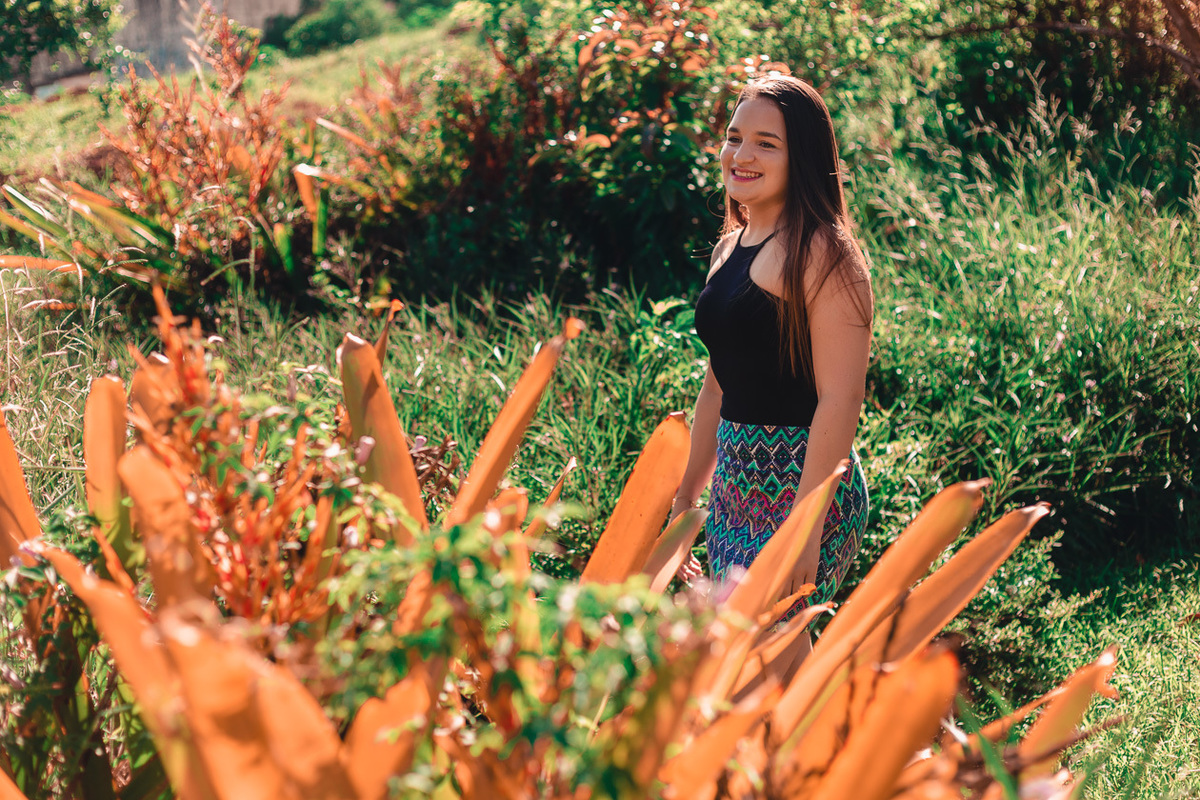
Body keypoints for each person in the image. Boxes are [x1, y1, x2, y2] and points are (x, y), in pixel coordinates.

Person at [670, 74, 873, 627]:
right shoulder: (728, 249)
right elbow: (718, 384)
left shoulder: (826, 253)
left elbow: (841, 398)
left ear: (800, 157)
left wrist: (805, 530)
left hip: (804, 488)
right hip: (734, 490)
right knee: (763, 677)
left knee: (748, 655)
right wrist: (688, 497)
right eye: (735, 137)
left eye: (767, 143)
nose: (742, 154)